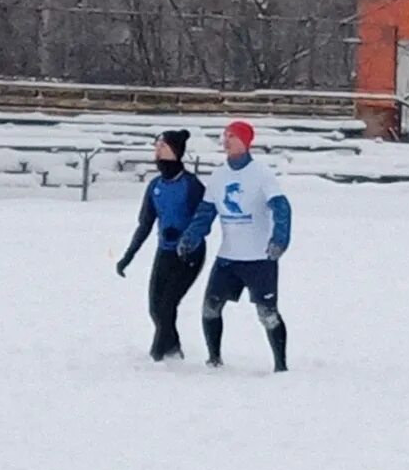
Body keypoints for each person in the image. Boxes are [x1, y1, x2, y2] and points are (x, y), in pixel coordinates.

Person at [176, 120, 291, 372]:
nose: (226, 140)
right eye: (224, 135)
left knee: (267, 314)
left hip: (260, 257)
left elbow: (281, 207)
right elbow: (206, 212)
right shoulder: (219, 175)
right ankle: (214, 358)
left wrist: (280, 239)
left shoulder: (261, 174)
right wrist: (191, 237)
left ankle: (281, 365)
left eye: (232, 136)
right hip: (228, 257)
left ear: (246, 142)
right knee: (210, 307)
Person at [116, 130, 207, 360]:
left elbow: (204, 218)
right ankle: (172, 350)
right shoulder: (155, 185)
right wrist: (129, 255)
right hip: (165, 252)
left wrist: (187, 238)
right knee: (155, 309)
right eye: (156, 146)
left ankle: (157, 355)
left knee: (167, 306)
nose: (157, 151)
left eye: (163, 146)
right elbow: (145, 224)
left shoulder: (191, 185)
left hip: (189, 254)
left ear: (176, 152)